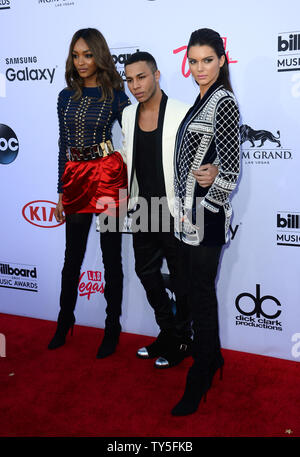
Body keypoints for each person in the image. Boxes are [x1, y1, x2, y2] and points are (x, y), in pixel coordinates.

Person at [121, 52, 218, 368]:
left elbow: (206, 153)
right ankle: (169, 331)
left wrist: (215, 170)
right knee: (145, 272)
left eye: (142, 77)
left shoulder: (182, 112)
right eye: (130, 79)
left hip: (176, 210)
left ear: (157, 75)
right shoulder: (127, 114)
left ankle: (183, 339)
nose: (135, 85)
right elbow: (128, 159)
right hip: (142, 209)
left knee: (182, 280)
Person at [47, 28, 130, 359]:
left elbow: (135, 132)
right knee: (72, 257)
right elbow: (62, 145)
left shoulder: (116, 95)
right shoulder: (65, 96)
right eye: (76, 55)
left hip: (107, 176)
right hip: (76, 178)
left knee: (111, 257)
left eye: (88, 54)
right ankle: (64, 320)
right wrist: (60, 192)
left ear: (99, 56)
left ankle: (112, 328)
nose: (81, 61)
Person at [171, 28, 240, 415]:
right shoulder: (200, 99)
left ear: (222, 60)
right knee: (198, 293)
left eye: (207, 60)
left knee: (199, 295)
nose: (200, 68)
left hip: (207, 218)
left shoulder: (223, 101)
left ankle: (200, 373)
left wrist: (213, 184)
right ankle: (210, 358)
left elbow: (231, 168)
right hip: (189, 217)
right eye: (194, 61)